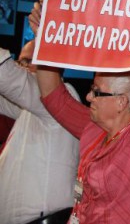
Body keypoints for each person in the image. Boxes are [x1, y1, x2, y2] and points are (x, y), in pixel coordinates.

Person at [29, 0, 130, 223]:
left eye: (96, 92)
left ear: (121, 102)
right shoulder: (93, 129)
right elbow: (53, 96)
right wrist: (43, 39)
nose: (88, 96)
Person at [0, 40, 80, 224]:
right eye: (21, 61)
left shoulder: (63, 97)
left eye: (28, 61)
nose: (22, 67)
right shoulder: (30, 108)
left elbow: (8, 78)